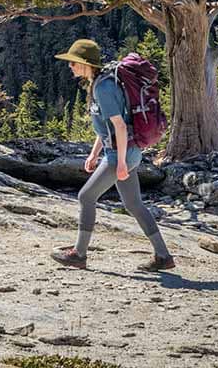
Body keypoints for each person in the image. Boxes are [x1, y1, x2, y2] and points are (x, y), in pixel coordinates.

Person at [50, 38, 174, 271]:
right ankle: (163, 257)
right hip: (124, 151)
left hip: (121, 154)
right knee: (134, 204)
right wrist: (94, 154)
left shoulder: (104, 88)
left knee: (86, 197)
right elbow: (106, 128)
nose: (70, 66)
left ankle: (79, 254)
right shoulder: (99, 84)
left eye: (73, 62)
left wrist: (121, 164)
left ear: (85, 64)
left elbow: (119, 126)